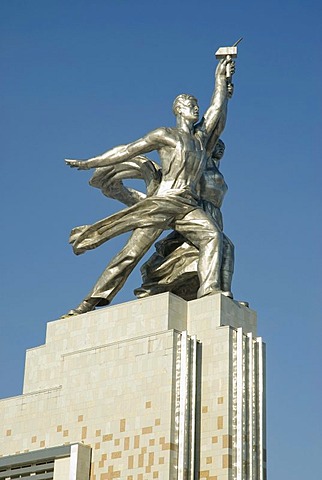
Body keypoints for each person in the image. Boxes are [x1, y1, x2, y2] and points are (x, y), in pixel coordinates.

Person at [63, 56, 235, 317]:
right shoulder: (164, 134)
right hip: (163, 201)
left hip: (188, 205)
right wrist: (90, 162)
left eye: (196, 105)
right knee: (131, 253)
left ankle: (209, 289)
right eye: (190, 105)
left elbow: (217, 109)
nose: (196, 109)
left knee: (212, 236)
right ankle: (88, 303)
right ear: (178, 109)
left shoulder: (201, 139)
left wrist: (220, 79)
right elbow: (128, 149)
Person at [134, 139, 234, 301]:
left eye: (223, 147)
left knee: (225, 248)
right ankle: (161, 283)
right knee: (193, 250)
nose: (221, 149)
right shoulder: (197, 167)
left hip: (214, 213)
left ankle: (224, 293)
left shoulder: (215, 169)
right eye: (217, 144)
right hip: (197, 209)